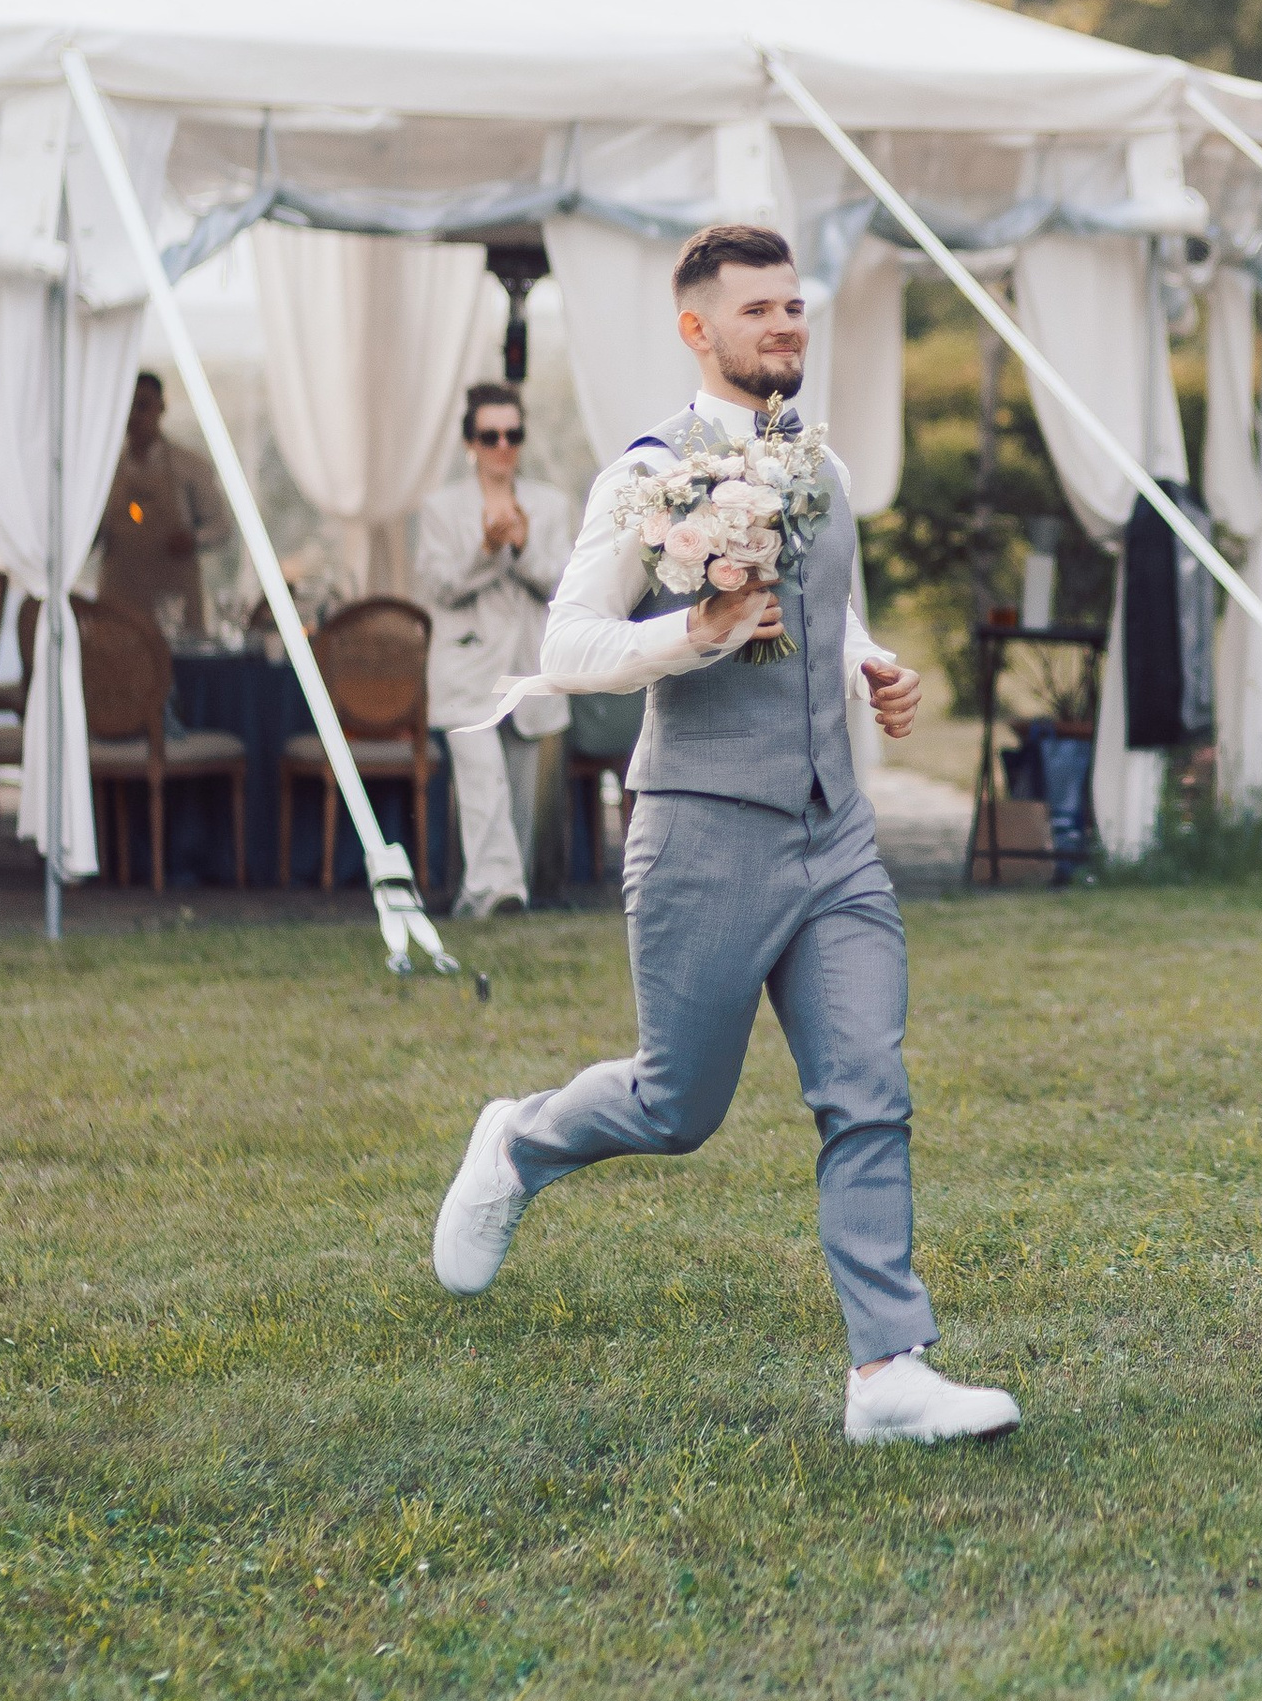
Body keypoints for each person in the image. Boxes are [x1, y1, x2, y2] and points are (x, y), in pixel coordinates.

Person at [429, 221, 1018, 1449]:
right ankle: (519, 1140)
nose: (786, 326)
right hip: (701, 830)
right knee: (673, 1105)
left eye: (794, 307)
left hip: (833, 835)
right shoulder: (643, 476)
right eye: (759, 310)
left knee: (868, 1089)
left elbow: (830, 601)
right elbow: (568, 648)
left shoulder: (824, 465)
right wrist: (688, 635)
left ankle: (888, 1373)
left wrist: (870, 668)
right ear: (698, 329)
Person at [412, 384, 573, 917]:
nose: (502, 445)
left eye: (513, 434)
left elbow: (566, 587)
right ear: (470, 442)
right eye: (490, 435)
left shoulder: (550, 505)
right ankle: (500, 889)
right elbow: (440, 587)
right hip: (466, 666)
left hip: (529, 667)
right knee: (482, 781)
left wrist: (523, 546)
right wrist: (485, 549)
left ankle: (486, 896)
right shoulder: (440, 508)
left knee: (519, 799)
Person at [96, 373, 225, 641]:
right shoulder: (103, 472)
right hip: (119, 600)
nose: (134, 415)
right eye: (128, 406)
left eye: (142, 405)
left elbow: (221, 526)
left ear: (161, 407)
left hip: (174, 599)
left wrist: (193, 539)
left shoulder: (189, 466)